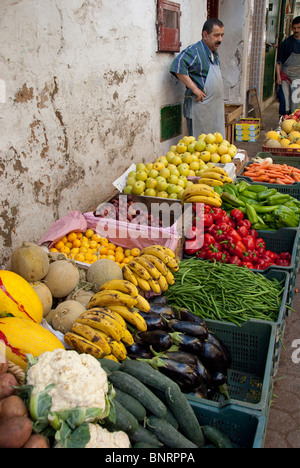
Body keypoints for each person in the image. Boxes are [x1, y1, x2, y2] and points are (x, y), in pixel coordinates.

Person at [170, 18, 225, 138]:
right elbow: (178, 65)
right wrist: (194, 89)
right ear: (205, 35)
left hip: (213, 110)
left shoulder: (214, 54)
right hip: (198, 110)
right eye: (216, 35)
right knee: (198, 150)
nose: (220, 39)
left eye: (221, 35)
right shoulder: (195, 51)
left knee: (215, 149)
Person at [276, 16, 300, 115]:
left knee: (296, 102)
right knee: (285, 102)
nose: (296, 30)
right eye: (294, 28)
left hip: (298, 77)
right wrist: (278, 77)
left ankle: (295, 124)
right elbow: (278, 62)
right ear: (291, 28)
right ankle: (283, 123)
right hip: (285, 77)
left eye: (298, 28)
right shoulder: (286, 43)